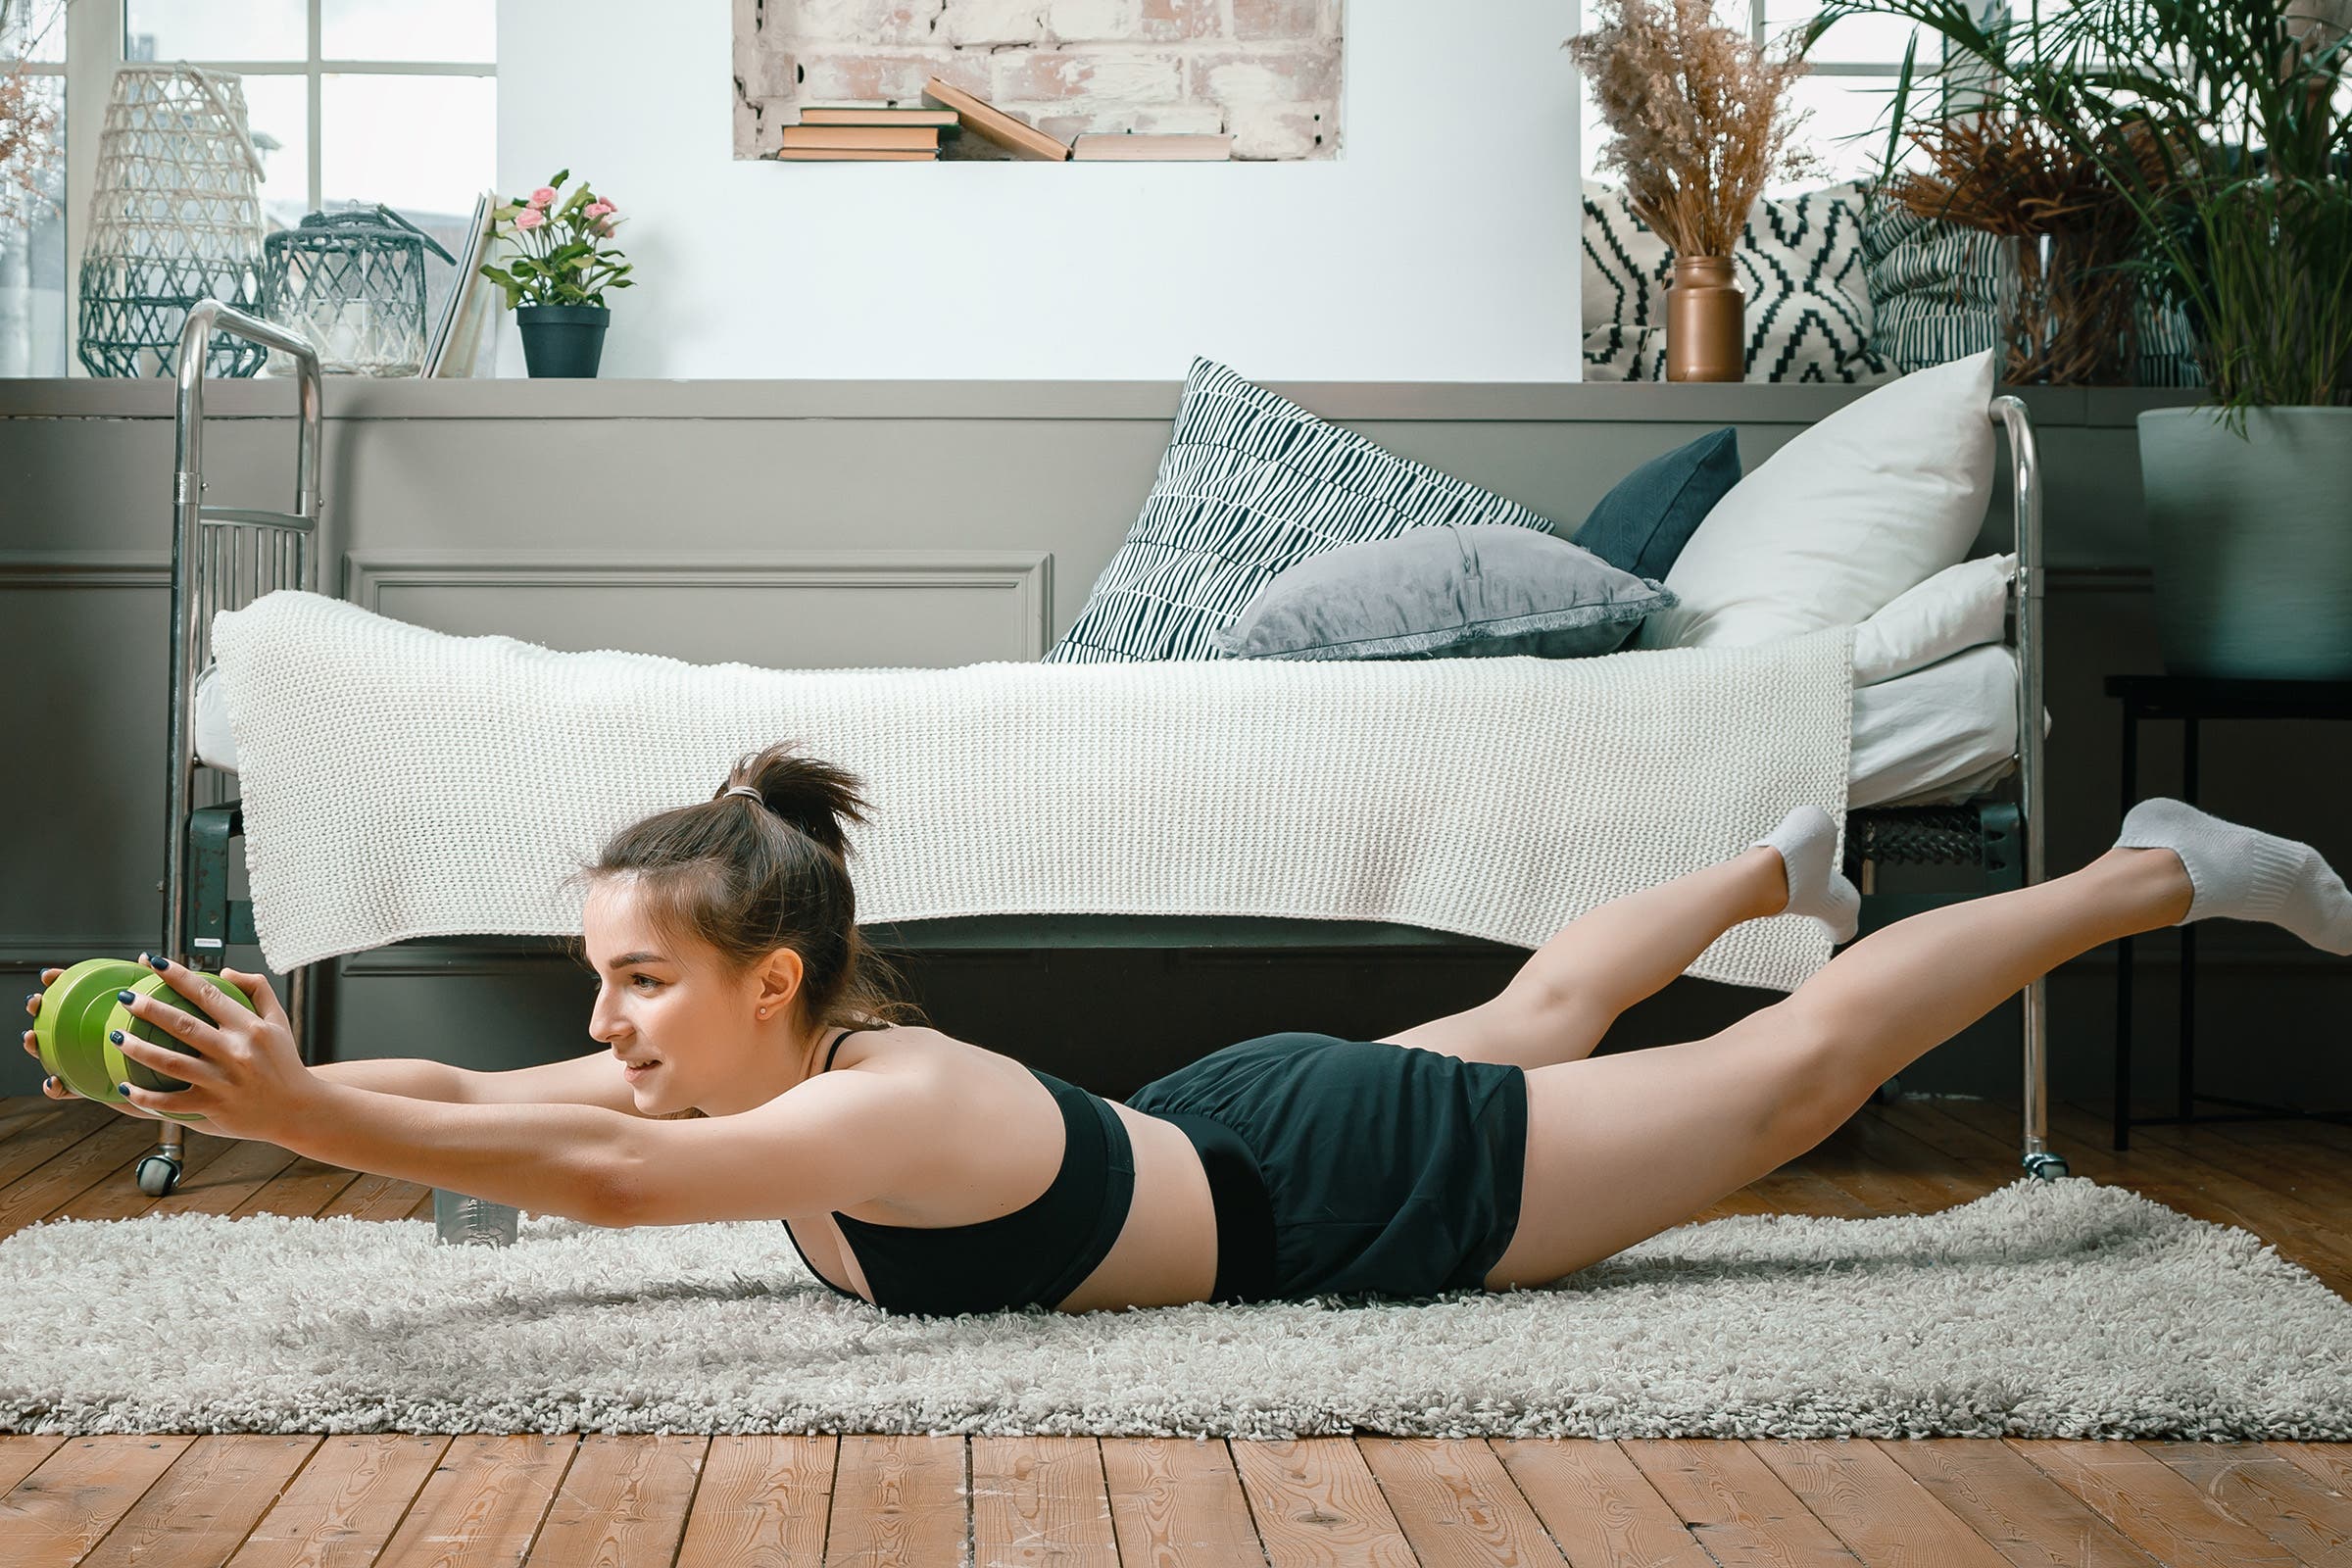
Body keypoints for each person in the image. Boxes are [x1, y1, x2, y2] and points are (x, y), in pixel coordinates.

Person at [23, 742, 2352, 1317]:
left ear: (774, 986)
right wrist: (252, 1056)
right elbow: (460, 1100)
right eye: (594, 983)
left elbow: (606, 1180)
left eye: (635, 977)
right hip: (1217, 1123)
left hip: (1340, 1191)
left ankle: (2149, 862)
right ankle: (1780, 865)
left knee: (1789, 1077)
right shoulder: (728, 1057)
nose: (599, 1027)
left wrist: (294, 1107)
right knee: (1546, 997)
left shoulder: (885, 1098)